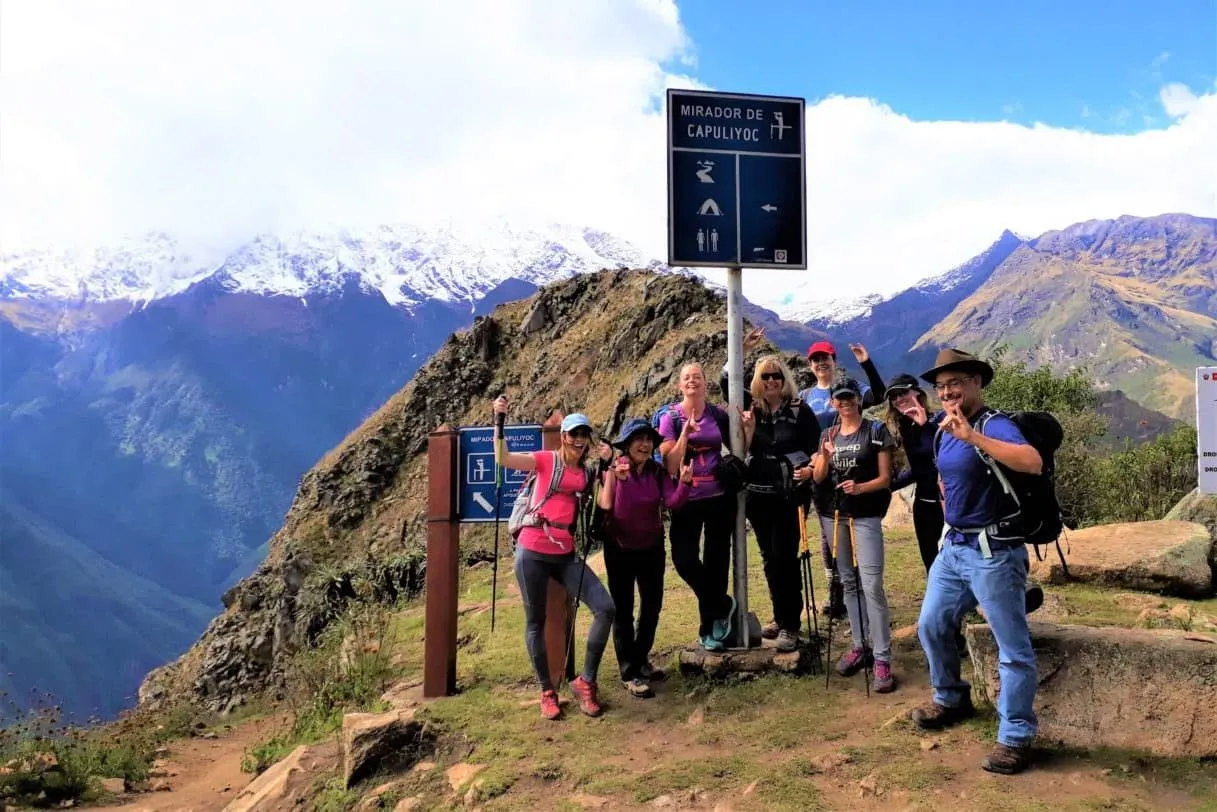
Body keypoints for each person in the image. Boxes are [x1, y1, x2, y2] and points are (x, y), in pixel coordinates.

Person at [910, 349, 1042, 775]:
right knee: (930, 624)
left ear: (976, 384)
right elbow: (945, 474)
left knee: (1013, 649)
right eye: (942, 385)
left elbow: (1032, 462)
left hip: (994, 553)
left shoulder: (992, 424)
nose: (948, 391)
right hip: (955, 549)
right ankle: (950, 697)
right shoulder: (945, 427)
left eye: (956, 383)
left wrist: (974, 439)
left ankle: (1016, 736)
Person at [492, 396, 616, 721]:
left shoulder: (587, 474)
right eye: (573, 434)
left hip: (564, 554)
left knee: (605, 608)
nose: (578, 440)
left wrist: (608, 465)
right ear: (563, 436)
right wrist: (499, 420)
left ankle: (585, 681)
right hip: (532, 550)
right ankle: (547, 691)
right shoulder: (545, 460)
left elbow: (603, 504)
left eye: (583, 435)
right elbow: (503, 458)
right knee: (535, 622)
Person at [596, 418, 693, 698]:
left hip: (651, 548)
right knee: (623, 610)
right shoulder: (615, 470)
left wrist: (684, 484)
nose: (645, 444)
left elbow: (672, 502)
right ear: (627, 444)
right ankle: (629, 671)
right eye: (638, 439)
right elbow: (616, 509)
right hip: (620, 548)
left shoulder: (657, 471)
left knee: (652, 606)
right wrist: (620, 479)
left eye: (649, 439)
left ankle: (640, 660)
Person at [811, 377, 897, 693]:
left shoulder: (875, 431)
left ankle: (883, 657)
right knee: (848, 580)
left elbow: (886, 478)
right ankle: (861, 645)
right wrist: (827, 456)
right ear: (833, 403)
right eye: (839, 399)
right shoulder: (827, 434)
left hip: (866, 515)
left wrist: (860, 487)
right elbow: (819, 477)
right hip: (835, 514)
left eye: (850, 398)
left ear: (857, 401)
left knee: (872, 584)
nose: (845, 403)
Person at [657, 362, 744, 652]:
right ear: (679, 385)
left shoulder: (717, 414)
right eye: (686, 378)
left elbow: (740, 448)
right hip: (686, 499)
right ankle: (723, 604)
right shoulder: (670, 418)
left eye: (697, 377)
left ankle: (710, 631)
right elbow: (669, 463)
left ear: (705, 383)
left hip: (719, 497)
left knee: (717, 563)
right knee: (684, 560)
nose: (692, 381)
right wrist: (685, 433)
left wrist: (749, 428)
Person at [737, 355, 821, 651]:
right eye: (766, 376)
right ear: (758, 381)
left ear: (785, 380)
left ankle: (791, 625)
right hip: (758, 497)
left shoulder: (799, 411)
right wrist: (747, 431)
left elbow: (816, 448)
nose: (772, 381)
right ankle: (780, 615)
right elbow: (747, 448)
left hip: (789, 495)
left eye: (777, 376)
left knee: (785, 557)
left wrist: (810, 471)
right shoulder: (754, 411)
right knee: (769, 558)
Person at [798, 340, 886, 620]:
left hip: (851, 467)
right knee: (828, 535)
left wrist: (866, 363)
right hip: (822, 468)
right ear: (810, 365)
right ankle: (836, 589)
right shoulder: (805, 394)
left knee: (856, 527)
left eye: (826, 358)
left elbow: (880, 395)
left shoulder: (851, 387)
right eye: (815, 359)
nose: (821, 363)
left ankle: (859, 588)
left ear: (834, 360)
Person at [883, 374, 944, 573]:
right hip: (924, 503)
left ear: (917, 392)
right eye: (894, 396)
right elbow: (919, 470)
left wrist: (925, 425)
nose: (899, 399)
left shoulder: (941, 420)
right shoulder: (905, 428)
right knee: (930, 560)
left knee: (955, 558)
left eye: (903, 393)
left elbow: (942, 458)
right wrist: (886, 485)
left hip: (949, 503)